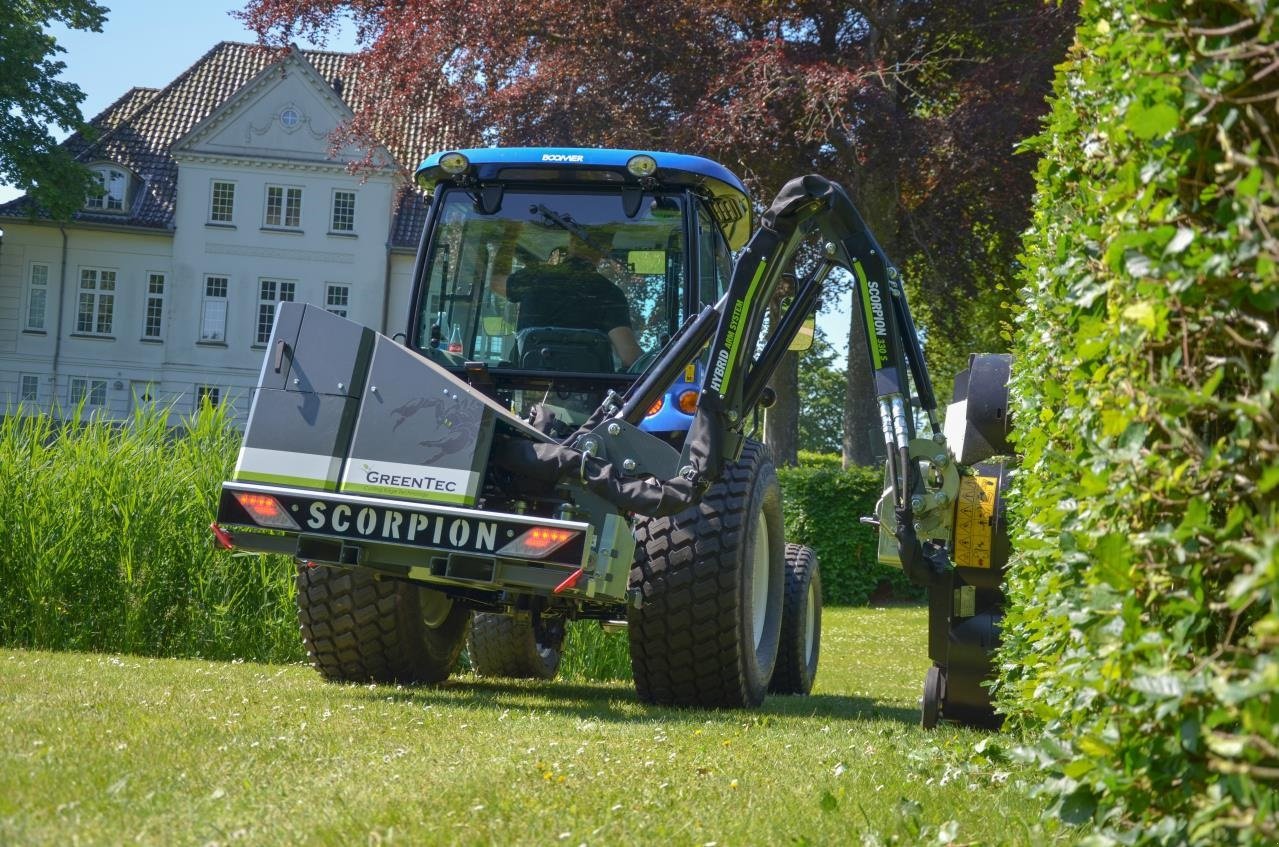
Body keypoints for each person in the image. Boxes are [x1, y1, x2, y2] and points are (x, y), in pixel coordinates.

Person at [490, 238, 643, 369]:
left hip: (525, 389)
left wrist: (509, 236)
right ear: (605, 249)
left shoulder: (534, 276)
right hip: (592, 396)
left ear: (571, 240)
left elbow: (497, 283)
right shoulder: (610, 293)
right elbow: (630, 357)